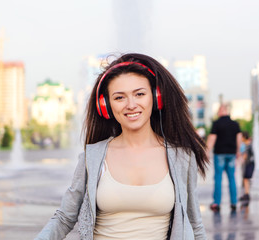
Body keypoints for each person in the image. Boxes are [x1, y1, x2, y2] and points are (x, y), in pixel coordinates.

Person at [35, 53, 209, 240]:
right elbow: (64, 218)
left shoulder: (181, 157)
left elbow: (193, 223)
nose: (131, 105)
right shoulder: (92, 157)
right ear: (106, 105)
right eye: (119, 98)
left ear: (156, 97)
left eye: (139, 94)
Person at [206, 104, 241, 212]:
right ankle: (234, 203)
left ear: (221, 111)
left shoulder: (216, 124)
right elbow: (239, 138)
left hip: (219, 154)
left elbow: (212, 138)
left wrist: (207, 151)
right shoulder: (235, 124)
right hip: (231, 154)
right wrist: (238, 151)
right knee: (232, 178)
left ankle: (217, 203)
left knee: (218, 178)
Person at [239, 131, 255, 202]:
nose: (240, 138)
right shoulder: (247, 144)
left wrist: (242, 159)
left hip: (249, 163)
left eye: (241, 137)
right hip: (250, 163)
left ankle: (247, 194)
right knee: (246, 179)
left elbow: (245, 155)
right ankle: (246, 193)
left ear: (244, 137)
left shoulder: (247, 145)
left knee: (246, 178)